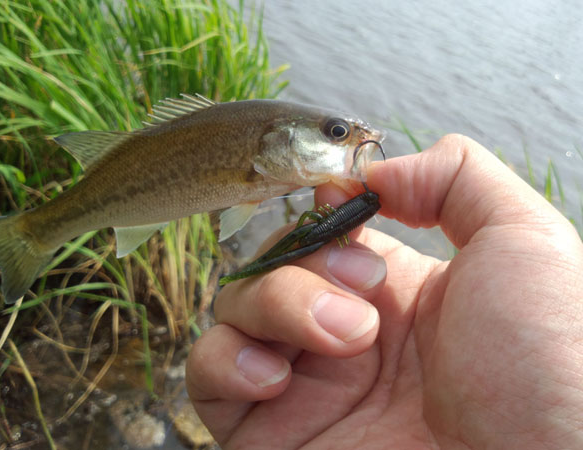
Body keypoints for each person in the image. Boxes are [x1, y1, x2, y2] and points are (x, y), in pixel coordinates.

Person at [186, 134, 583, 449]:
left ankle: (239, 277)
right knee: (288, 258)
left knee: (286, 257)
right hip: (318, 235)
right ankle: (240, 277)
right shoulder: (365, 205)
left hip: (317, 234)